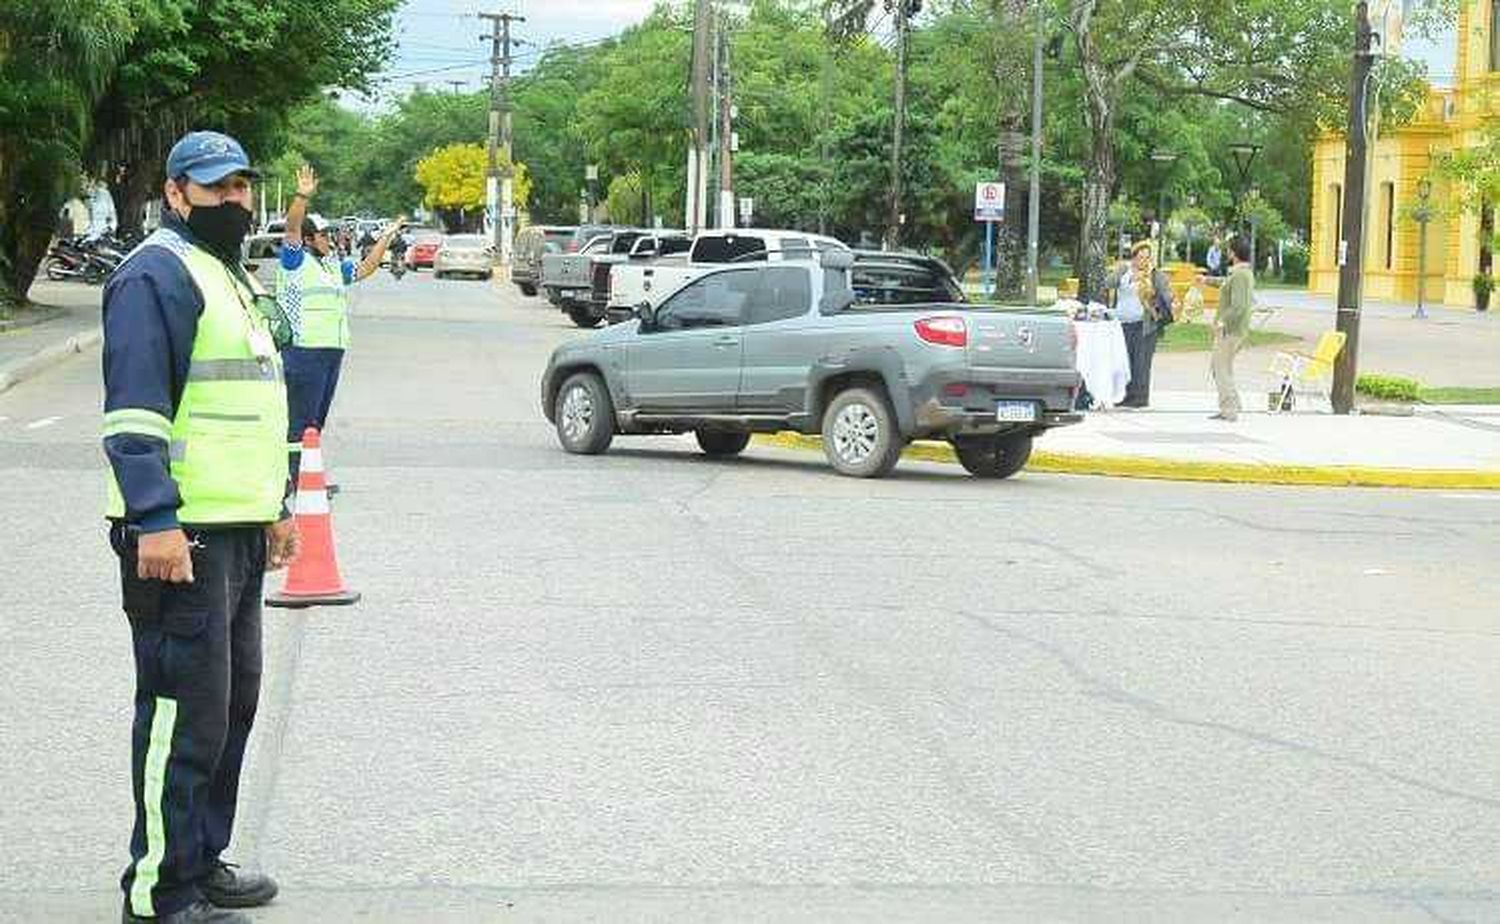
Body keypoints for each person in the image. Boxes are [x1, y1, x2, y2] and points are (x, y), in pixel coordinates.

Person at [102, 130, 299, 924]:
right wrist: (154, 519)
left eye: (244, 187)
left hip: (237, 533)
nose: (236, 202)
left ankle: (201, 860)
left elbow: (247, 409)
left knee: (229, 708)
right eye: (218, 189)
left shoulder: (224, 275)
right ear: (177, 192)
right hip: (180, 538)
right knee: (182, 715)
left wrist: (276, 507)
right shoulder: (156, 273)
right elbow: (135, 414)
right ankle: (157, 893)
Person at [276, 164, 403, 481]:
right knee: (300, 421)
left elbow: (364, 269)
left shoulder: (331, 266)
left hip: (332, 352)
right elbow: (291, 226)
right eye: (323, 234)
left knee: (316, 421)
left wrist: (386, 238)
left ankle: (309, 477)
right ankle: (291, 479)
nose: (329, 239)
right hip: (304, 351)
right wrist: (301, 196)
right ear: (307, 239)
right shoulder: (295, 260)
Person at [1106, 240, 1173, 408]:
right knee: (1125, 360)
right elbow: (1108, 283)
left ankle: (1140, 398)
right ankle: (1125, 395)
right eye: (1141, 257)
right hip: (1122, 323)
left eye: (1147, 258)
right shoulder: (1124, 270)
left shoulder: (1155, 275)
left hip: (1144, 324)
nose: (1144, 261)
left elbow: (1165, 296)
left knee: (1141, 361)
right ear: (1134, 258)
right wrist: (1127, 277)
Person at [1200, 237, 1256, 421]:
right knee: (1223, 367)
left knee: (1220, 368)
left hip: (1230, 331)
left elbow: (1238, 306)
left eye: (1229, 250)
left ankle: (1229, 408)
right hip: (1232, 330)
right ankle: (1233, 403)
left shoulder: (1241, 275)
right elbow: (1226, 284)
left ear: (1233, 252)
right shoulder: (1240, 274)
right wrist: (1207, 280)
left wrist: (1222, 322)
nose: (1227, 253)